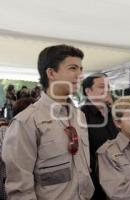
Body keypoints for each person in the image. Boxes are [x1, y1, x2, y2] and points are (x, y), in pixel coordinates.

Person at [2, 44, 94, 200]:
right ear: (51, 73)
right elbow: (20, 188)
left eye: (81, 69)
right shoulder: (26, 121)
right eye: (73, 68)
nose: (80, 74)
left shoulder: (79, 116)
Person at [81, 73, 118, 199]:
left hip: (120, 179)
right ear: (88, 91)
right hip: (95, 184)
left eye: (108, 86)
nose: (107, 90)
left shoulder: (115, 113)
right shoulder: (80, 116)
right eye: (102, 86)